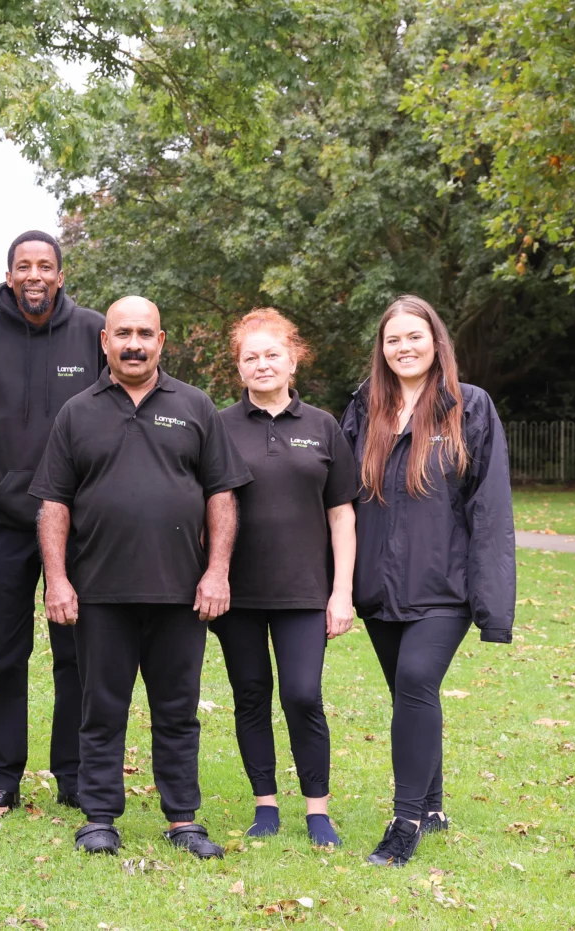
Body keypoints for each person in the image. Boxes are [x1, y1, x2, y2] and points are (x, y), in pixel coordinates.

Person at [30, 296, 252, 858]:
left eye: (144, 333)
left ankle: (183, 819)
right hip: (99, 593)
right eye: (123, 333)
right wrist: (57, 580)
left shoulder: (196, 406)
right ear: (104, 340)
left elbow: (221, 496)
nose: (134, 343)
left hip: (182, 593)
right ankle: (99, 816)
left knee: (178, 711)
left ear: (161, 340)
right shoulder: (77, 412)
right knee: (100, 709)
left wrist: (217, 572)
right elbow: (54, 503)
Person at [341, 295, 514, 868]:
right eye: (393, 339)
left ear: (436, 342)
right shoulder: (366, 407)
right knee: (411, 696)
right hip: (378, 587)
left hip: (444, 588)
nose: (404, 347)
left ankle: (406, 818)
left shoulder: (470, 407)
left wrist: (491, 604)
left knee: (415, 681)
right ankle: (435, 805)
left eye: (415, 336)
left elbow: (488, 508)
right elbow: (339, 497)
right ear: (382, 349)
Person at [0, 230, 105, 815]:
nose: (35, 275)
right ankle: (1, 777)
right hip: (7, 528)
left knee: (77, 656)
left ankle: (72, 773)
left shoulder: (93, 332)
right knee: (6, 656)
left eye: (46, 266)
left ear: (61, 276)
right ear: (10, 275)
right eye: (25, 266)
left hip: (82, 528)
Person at [212, 308, 357, 847]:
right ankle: (265, 804)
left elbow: (342, 513)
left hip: (305, 592)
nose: (262, 364)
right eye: (251, 357)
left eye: (272, 354)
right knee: (250, 694)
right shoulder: (219, 426)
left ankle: (317, 809)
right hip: (238, 594)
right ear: (239, 368)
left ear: (293, 360)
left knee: (302, 695)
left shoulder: (323, 427)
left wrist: (341, 591)